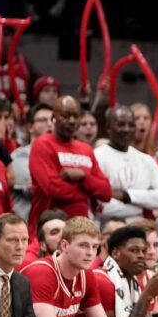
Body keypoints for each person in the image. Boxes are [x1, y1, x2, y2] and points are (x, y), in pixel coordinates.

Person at [28, 96, 111, 235]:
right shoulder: (42, 144)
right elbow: (52, 188)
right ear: (54, 117)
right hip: (48, 231)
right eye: (65, 116)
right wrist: (87, 193)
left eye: (75, 116)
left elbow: (106, 192)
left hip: (81, 231)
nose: (71, 121)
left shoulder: (85, 149)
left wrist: (83, 177)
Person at [94, 106, 158, 222]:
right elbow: (101, 207)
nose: (126, 129)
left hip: (145, 231)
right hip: (109, 230)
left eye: (131, 125)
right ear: (108, 128)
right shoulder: (97, 157)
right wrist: (146, 209)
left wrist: (126, 196)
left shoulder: (146, 160)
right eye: (120, 124)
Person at [11, 103, 53, 222]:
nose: (50, 124)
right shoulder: (18, 157)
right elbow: (40, 189)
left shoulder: (60, 156)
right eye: (43, 120)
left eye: (52, 120)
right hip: (26, 228)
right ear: (30, 127)